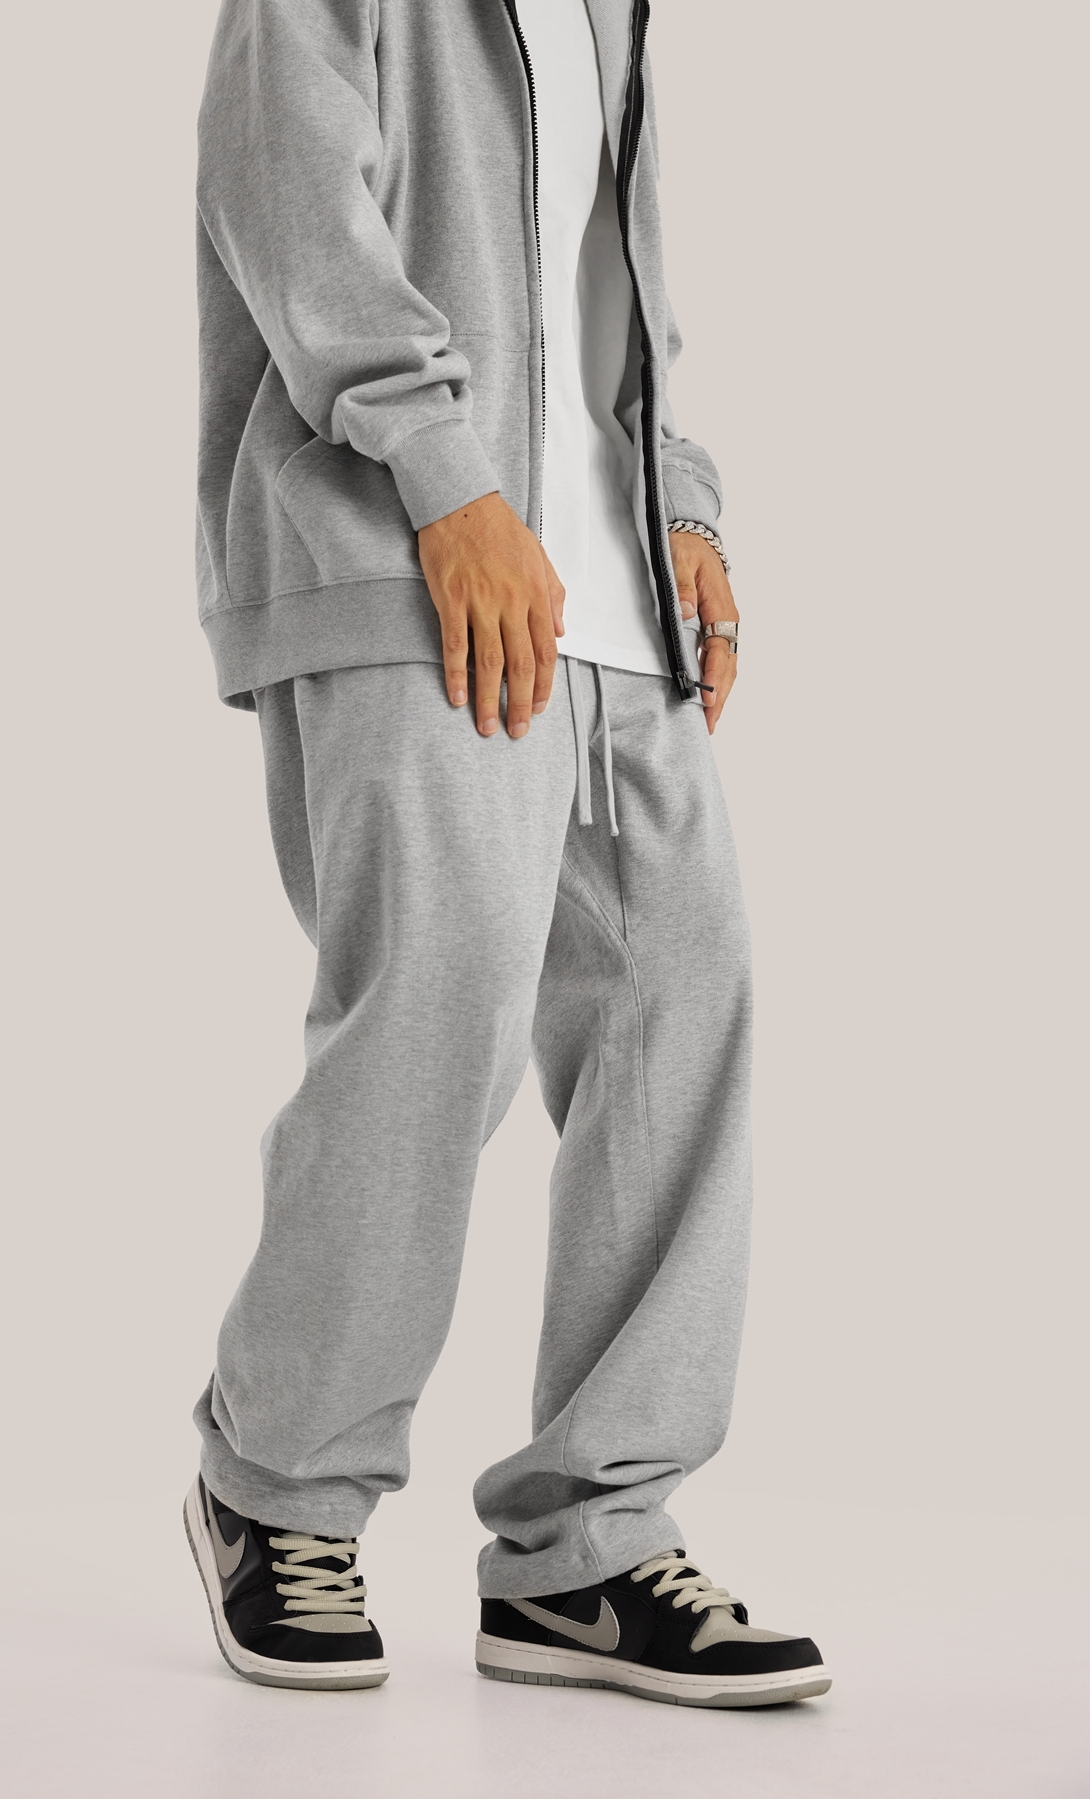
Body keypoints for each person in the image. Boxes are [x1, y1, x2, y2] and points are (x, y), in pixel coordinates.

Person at [184, 0, 829, 1708]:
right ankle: (277, 1487)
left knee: (683, 1015)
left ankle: (587, 1549)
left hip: (608, 593)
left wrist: (676, 499)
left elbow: (611, 273)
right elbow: (282, 188)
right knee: (435, 1018)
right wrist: (446, 475)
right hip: (412, 558)